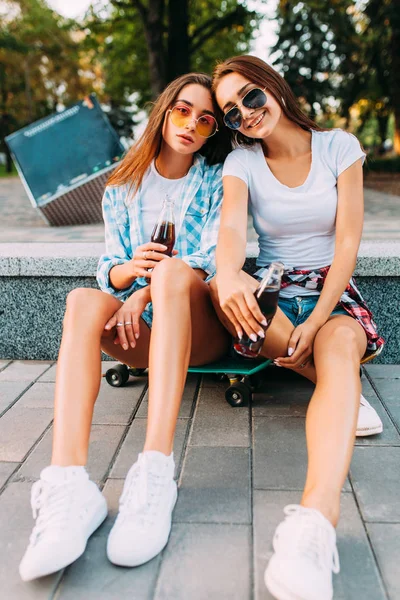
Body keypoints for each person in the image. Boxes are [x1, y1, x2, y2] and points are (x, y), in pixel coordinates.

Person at [19, 72, 231, 582]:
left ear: (211, 132)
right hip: (146, 334)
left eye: (205, 119)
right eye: (182, 111)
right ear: (163, 111)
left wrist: (141, 293)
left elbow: (206, 261)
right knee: (82, 301)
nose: (191, 125)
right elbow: (108, 267)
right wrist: (128, 272)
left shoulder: (216, 180)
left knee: (177, 272)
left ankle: (154, 472)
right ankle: (69, 485)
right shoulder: (123, 185)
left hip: (198, 329)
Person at [211, 55, 385, 600]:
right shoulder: (240, 161)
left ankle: (313, 523)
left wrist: (317, 316)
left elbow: (348, 243)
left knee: (336, 342)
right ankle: (339, 387)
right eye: (232, 112)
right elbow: (232, 230)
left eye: (251, 97)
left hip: (331, 288)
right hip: (275, 290)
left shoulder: (339, 146)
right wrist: (228, 271)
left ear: (273, 87)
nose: (246, 114)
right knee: (233, 295)